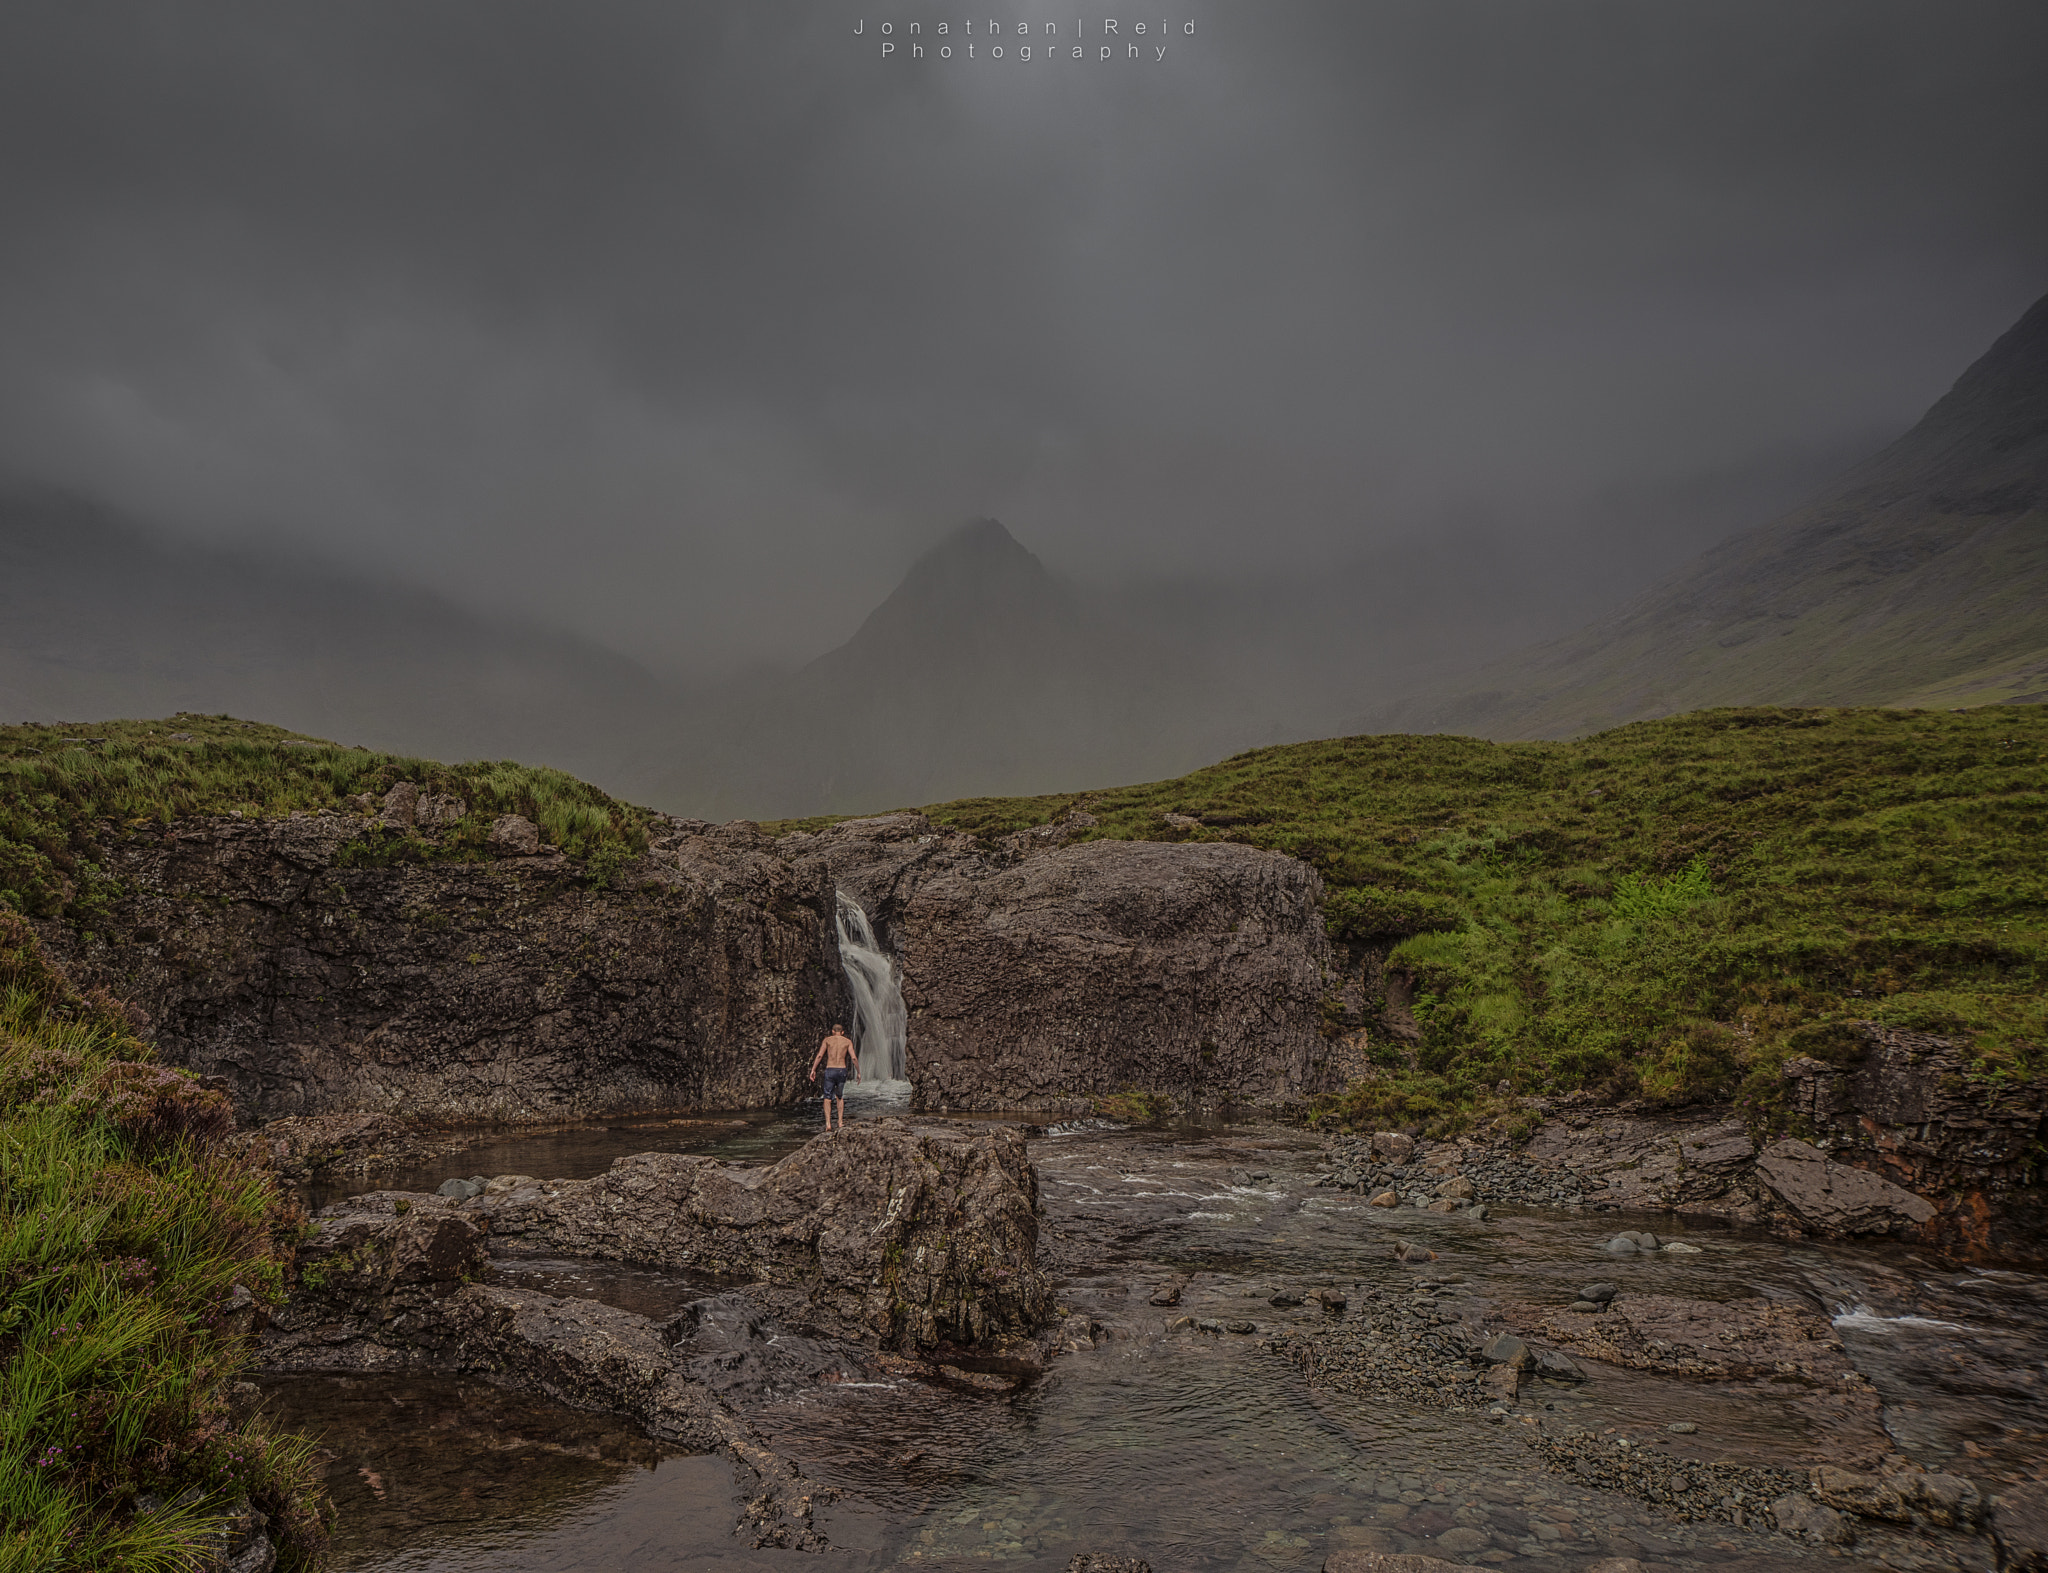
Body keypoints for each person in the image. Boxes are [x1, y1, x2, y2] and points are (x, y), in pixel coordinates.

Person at [809, 1023, 859, 1132]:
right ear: (842, 1032)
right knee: (839, 1097)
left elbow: (819, 1056)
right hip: (842, 1070)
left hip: (830, 1070)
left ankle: (828, 1124)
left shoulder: (827, 1040)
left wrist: (813, 1069)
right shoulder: (847, 1042)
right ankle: (840, 1122)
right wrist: (858, 1072)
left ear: (832, 1031)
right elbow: (854, 1058)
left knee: (827, 1098)